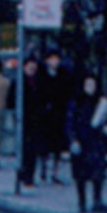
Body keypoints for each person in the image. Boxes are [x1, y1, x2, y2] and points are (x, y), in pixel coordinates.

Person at [67, 73, 107, 213]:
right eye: (88, 85)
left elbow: (106, 121)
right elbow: (70, 122)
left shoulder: (101, 101)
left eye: (93, 85)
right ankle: (82, 202)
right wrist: (73, 139)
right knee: (80, 175)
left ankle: (97, 200)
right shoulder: (77, 102)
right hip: (81, 141)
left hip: (96, 141)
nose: (91, 88)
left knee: (98, 173)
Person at [33, 50, 73, 184]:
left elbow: (67, 93)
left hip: (58, 115)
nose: (54, 62)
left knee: (57, 146)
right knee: (44, 145)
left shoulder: (64, 75)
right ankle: (43, 169)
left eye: (56, 59)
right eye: (52, 59)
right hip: (44, 116)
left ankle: (54, 172)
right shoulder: (41, 75)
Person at [12, 56, 42, 189]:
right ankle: (22, 175)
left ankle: (29, 176)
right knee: (23, 150)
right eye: (30, 68)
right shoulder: (19, 83)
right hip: (22, 120)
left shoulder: (38, 82)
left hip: (35, 121)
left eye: (34, 69)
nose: (32, 71)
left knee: (32, 150)